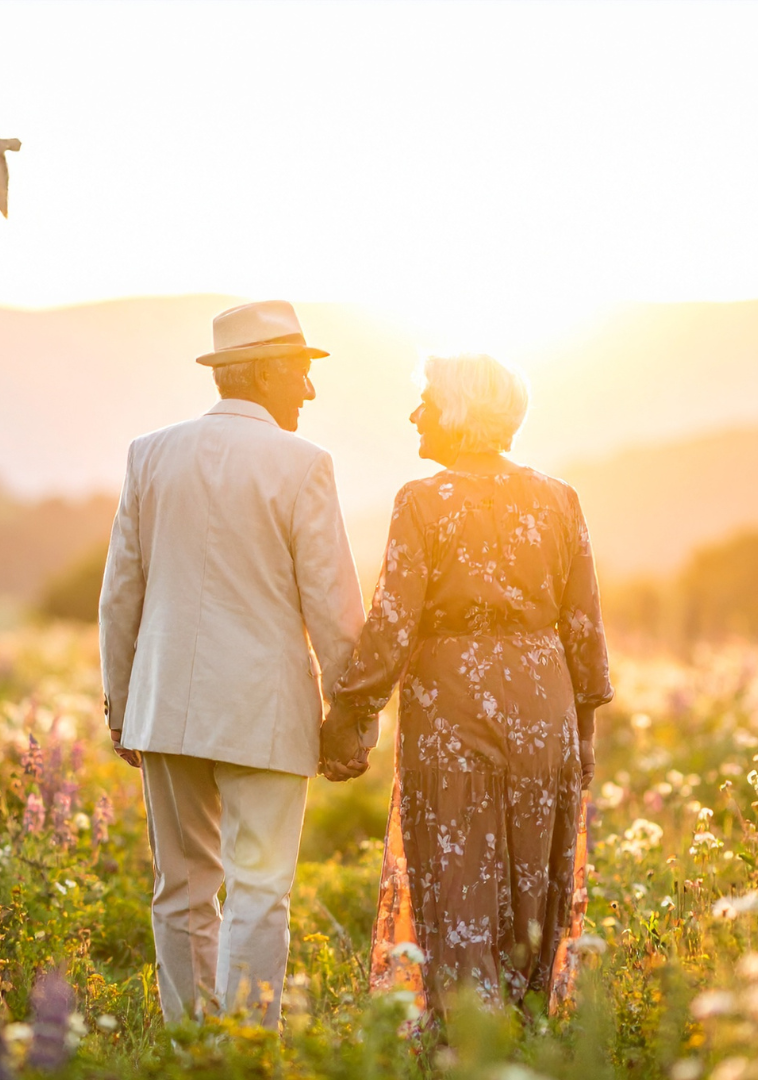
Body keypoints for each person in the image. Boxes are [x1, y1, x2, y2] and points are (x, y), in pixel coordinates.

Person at [98, 300, 366, 1028]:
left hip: (165, 707)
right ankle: (247, 1050)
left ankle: (193, 1052)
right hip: (265, 710)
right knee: (259, 888)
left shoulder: (149, 453)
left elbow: (122, 591)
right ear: (269, 371)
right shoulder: (304, 464)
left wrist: (122, 703)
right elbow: (335, 609)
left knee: (179, 891)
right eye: (303, 373)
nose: (309, 391)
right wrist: (352, 718)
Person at [319, 353, 612, 1011]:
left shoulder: (424, 502)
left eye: (425, 398)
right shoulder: (559, 498)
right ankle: (527, 1030)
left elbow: (394, 622)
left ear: (455, 412)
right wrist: (585, 735)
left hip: (451, 710)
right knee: (532, 878)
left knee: (459, 879)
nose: (415, 412)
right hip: (545, 707)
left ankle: (466, 1041)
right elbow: (584, 624)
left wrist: (347, 713)